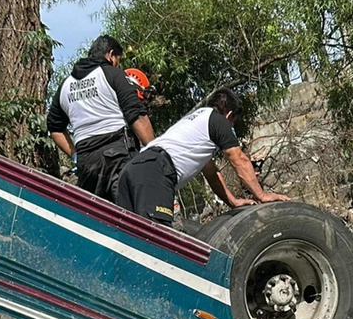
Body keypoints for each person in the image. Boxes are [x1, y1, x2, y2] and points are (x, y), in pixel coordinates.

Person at [115, 88, 288, 225]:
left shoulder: (195, 122)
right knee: (155, 241)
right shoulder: (218, 121)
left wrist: (233, 201)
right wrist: (261, 195)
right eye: (234, 120)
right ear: (229, 115)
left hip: (132, 169)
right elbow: (239, 160)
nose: (232, 125)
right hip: (154, 173)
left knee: (129, 238)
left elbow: (211, 173)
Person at [46, 35, 156, 201]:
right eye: (118, 60)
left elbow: (54, 129)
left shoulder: (65, 85)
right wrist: (155, 152)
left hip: (87, 164)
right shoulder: (113, 74)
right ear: (111, 55)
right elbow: (138, 117)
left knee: (99, 218)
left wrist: (75, 154)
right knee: (131, 214)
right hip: (118, 157)